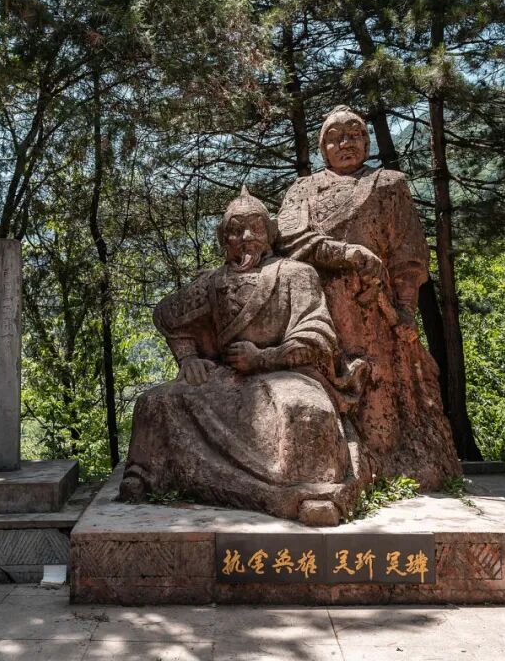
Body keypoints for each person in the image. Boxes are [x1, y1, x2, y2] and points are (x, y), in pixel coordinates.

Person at [119, 186, 368, 525]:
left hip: (286, 374)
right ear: (223, 238)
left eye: (255, 228)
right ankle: (148, 475)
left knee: (305, 411)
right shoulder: (213, 282)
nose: (246, 238)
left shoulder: (295, 274)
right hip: (228, 377)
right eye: (235, 230)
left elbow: (317, 333)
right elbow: (167, 315)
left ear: (271, 232)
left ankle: (313, 492)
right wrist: (188, 358)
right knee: (156, 402)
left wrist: (265, 357)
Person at [276, 105, 460, 489]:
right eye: (335, 137)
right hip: (315, 311)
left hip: (374, 311)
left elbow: (409, 255)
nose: (345, 143)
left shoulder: (387, 184)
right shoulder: (302, 190)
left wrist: (405, 308)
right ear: (322, 148)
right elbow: (289, 239)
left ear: (367, 141)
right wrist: (345, 253)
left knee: (379, 404)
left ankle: (383, 470)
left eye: (354, 134)